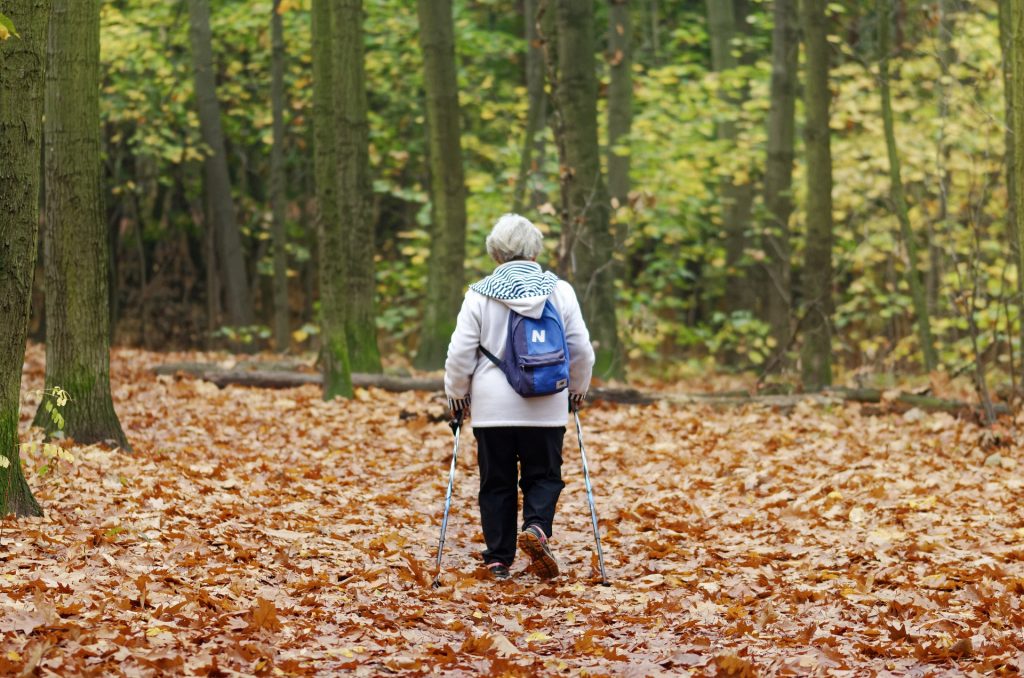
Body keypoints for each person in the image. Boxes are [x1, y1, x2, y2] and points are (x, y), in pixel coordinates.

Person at [444, 213, 595, 581]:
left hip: (493, 409)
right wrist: (576, 390)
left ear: (496, 253)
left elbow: (460, 353)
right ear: (535, 250)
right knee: (544, 477)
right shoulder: (559, 291)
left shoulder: (480, 294)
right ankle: (538, 529)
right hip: (547, 404)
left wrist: (456, 396)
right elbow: (581, 350)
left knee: (496, 482)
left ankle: (498, 560)